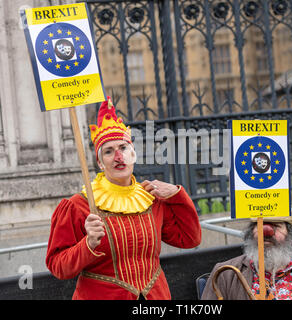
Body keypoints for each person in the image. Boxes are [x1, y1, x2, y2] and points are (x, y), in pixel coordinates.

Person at [46, 97, 201, 300]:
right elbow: (58, 267)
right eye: (109, 152)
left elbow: (190, 239)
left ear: (133, 154)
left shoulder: (151, 199)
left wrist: (176, 194)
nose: (119, 157)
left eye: (123, 148)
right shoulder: (78, 205)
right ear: (100, 163)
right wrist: (88, 244)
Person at [201, 214, 292, 300]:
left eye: (276, 226)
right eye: (260, 225)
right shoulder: (226, 273)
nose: (267, 232)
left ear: (290, 235)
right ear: (251, 233)